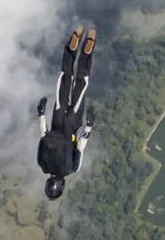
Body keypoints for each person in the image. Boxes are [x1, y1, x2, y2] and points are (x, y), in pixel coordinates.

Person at [35, 28, 97, 200]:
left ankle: (87, 51)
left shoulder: (71, 169)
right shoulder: (42, 164)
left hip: (73, 124)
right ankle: (71, 50)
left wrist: (89, 127)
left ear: (61, 186)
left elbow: (80, 146)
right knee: (65, 79)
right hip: (56, 119)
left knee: (81, 83)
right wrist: (41, 114)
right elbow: (43, 135)